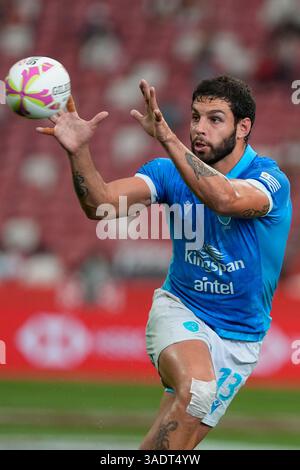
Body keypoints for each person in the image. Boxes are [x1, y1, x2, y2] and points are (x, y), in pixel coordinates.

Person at [36, 76, 292, 450]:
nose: (199, 129)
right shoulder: (168, 171)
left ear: (243, 127)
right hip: (181, 308)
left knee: (167, 449)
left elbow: (224, 199)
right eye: (195, 117)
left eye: (214, 119)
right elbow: (101, 204)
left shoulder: (269, 179)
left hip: (242, 339)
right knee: (199, 389)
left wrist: (167, 139)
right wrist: (78, 151)